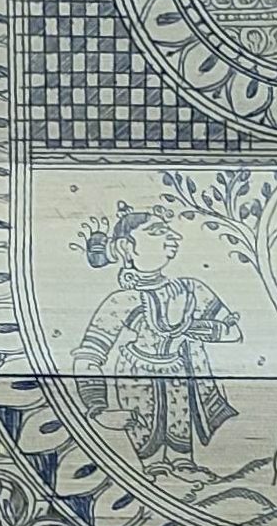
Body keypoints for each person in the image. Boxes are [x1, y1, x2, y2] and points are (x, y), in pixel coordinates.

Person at [72, 205, 242, 480]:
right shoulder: (123, 301)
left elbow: (233, 332)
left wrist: (192, 329)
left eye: (169, 230)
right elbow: (89, 356)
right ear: (127, 247)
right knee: (150, 453)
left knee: (181, 450)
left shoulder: (191, 289)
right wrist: (98, 409)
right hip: (135, 378)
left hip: (180, 374)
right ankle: (153, 470)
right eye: (157, 231)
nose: (173, 237)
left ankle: (183, 465)